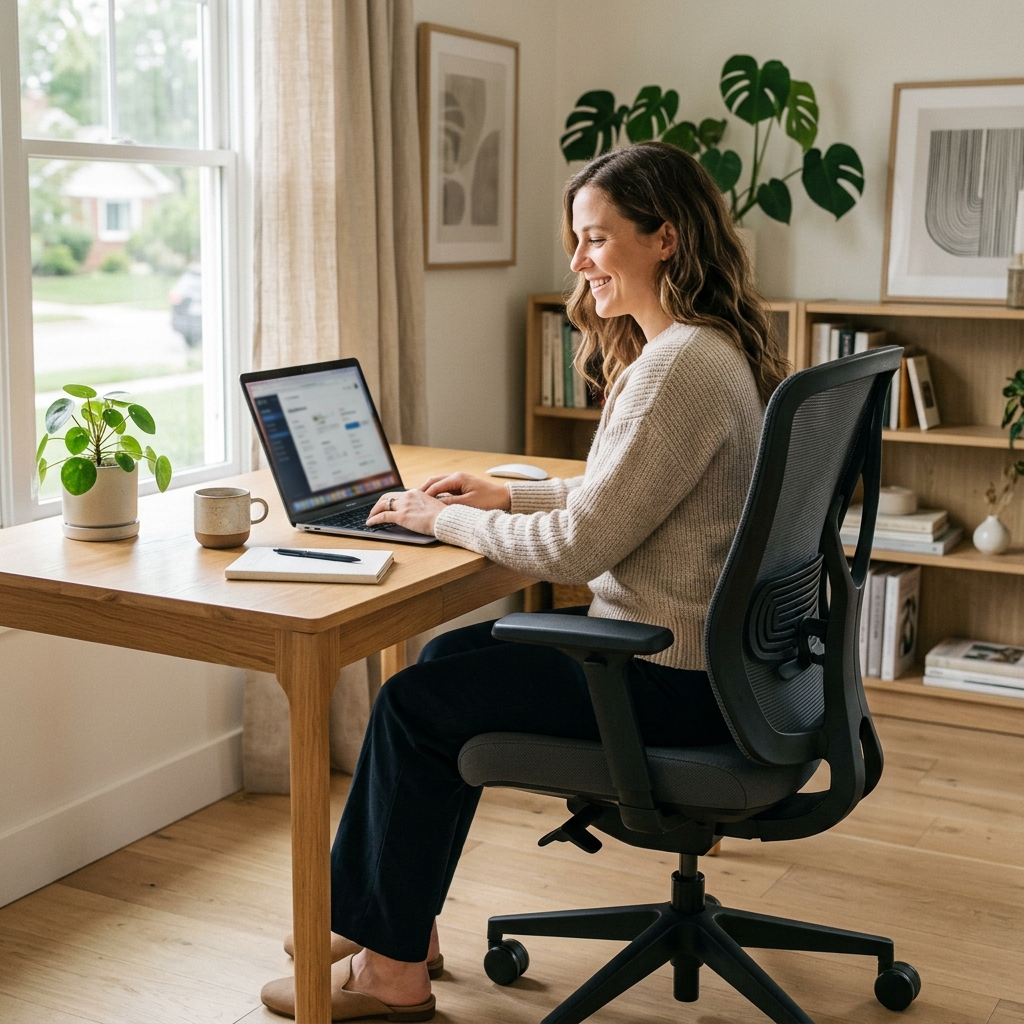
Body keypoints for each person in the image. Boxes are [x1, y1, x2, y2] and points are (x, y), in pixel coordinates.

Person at [260, 140, 788, 1021]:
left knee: (411, 708)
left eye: (597, 239)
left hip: (665, 679)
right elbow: (635, 494)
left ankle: (391, 972)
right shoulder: (707, 349)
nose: (579, 263)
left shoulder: (675, 367)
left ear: (665, 238)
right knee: (438, 667)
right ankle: (391, 924)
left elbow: (580, 550)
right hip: (716, 667)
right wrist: (510, 492)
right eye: (576, 241)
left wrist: (444, 519)